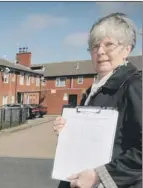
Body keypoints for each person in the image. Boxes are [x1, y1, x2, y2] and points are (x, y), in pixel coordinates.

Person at [53, 13, 142, 188]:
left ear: (127, 49)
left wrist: (100, 175)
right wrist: (67, 130)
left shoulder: (134, 86)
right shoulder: (95, 89)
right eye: (95, 46)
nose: (100, 51)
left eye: (109, 44)